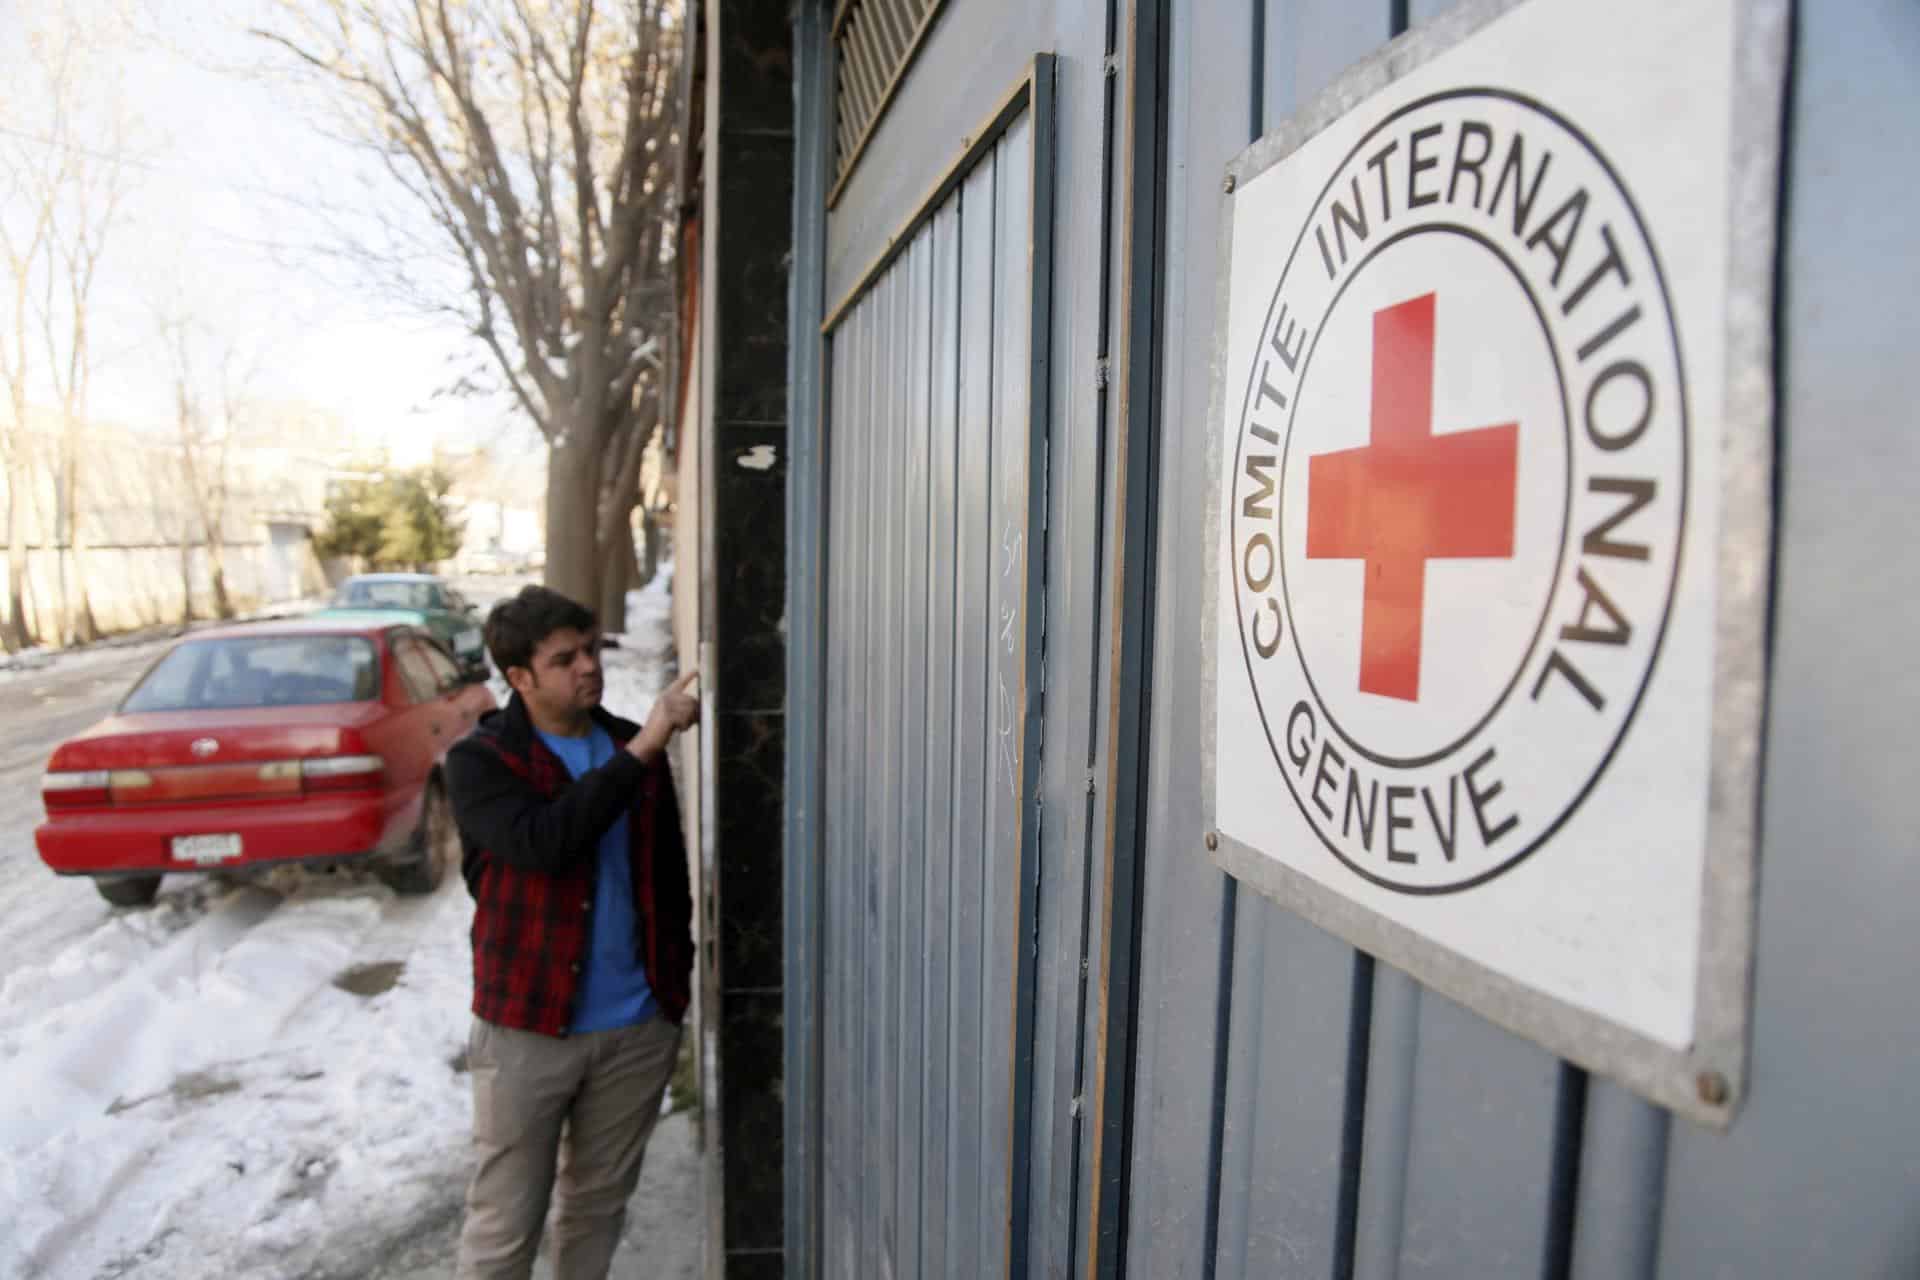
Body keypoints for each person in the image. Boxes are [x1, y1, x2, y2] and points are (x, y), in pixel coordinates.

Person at [445, 584, 699, 1280]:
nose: (588, 666)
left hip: (636, 1029)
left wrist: (673, 986)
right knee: (504, 1223)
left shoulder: (621, 745)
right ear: (520, 678)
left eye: (590, 650)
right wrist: (647, 745)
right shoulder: (482, 762)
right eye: (564, 659)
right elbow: (544, 844)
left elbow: (664, 873)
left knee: (597, 1208)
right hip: (529, 1028)